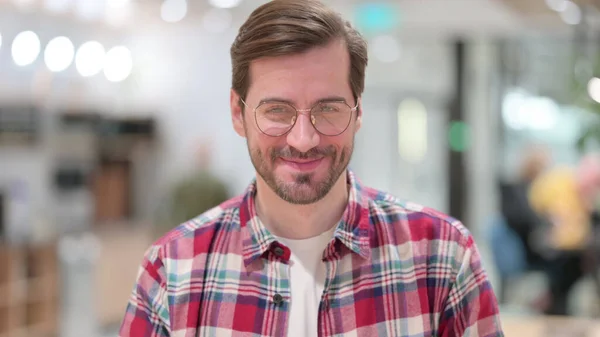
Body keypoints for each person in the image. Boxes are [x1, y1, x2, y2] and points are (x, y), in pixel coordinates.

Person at [119, 1, 503, 336]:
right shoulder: (172, 271)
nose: (303, 139)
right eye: (277, 110)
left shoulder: (442, 257)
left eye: (328, 108)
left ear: (358, 113)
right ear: (239, 114)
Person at [528, 153, 600, 315]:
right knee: (569, 263)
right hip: (547, 241)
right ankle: (552, 300)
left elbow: (579, 230)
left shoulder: (584, 197)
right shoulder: (559, 182)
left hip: (570, 247)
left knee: (582, 260)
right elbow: (538, 211)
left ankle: (551, 299)